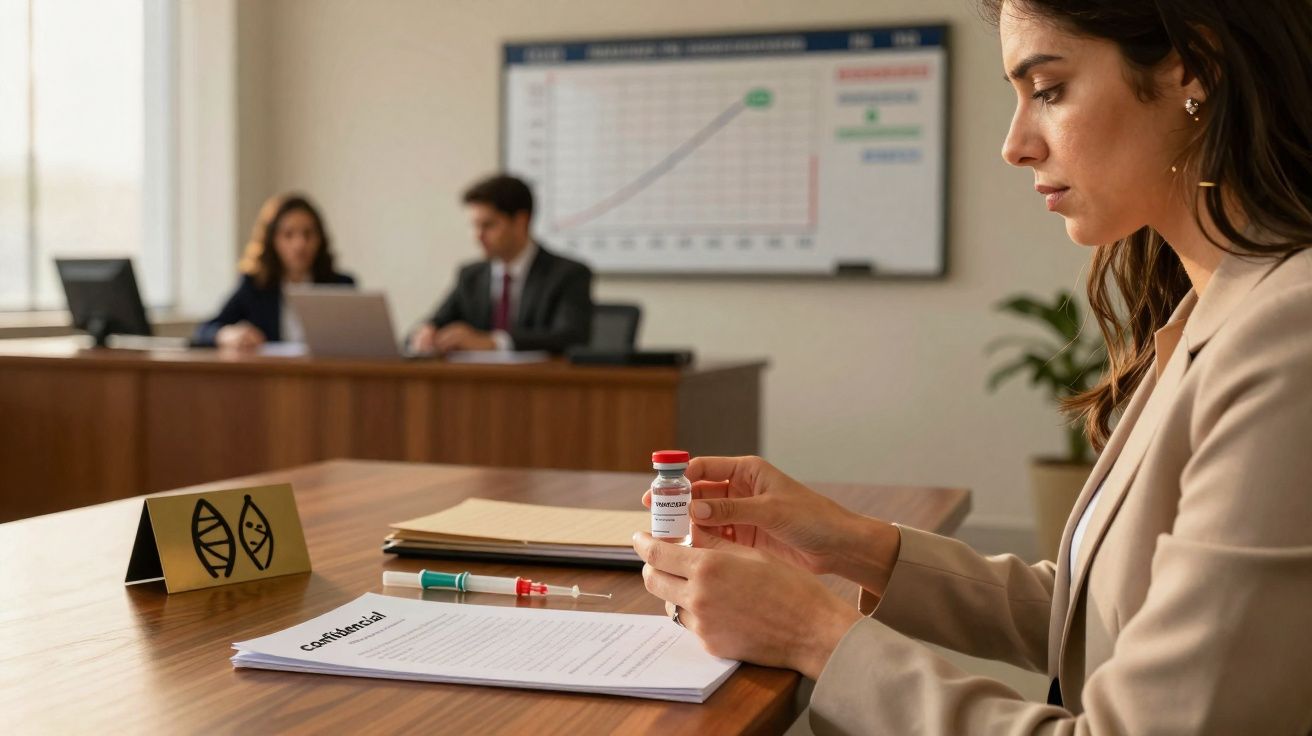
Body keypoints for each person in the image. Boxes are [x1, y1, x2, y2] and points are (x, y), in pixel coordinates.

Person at [633, 1, 1312, 732]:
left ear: (1195, 69)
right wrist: (850, 543)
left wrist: (812, 634)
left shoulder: (1286, 335)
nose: (1015, 144)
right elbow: (1104, 610)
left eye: (1048, 90)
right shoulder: (1210, 311)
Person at [409, 175, 593, 354]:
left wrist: (492, 342)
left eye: (488, 225)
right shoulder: (471, 275)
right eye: (475, 226)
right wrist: (427, 332)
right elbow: (437, 321)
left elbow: (571, 335)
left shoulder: (568, 274)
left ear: (521, 221)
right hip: (476, 382)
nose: (478, 236)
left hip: (540, 382)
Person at [193, 194, 355, 350]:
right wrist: (228, 335)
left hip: (326, 375)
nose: (299, 244)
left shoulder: (341, 285)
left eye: (308, 234)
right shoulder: (255, 286)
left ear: (320, 239)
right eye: (288, 235)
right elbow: (204, 331)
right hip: (271, 375)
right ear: (272, 241)